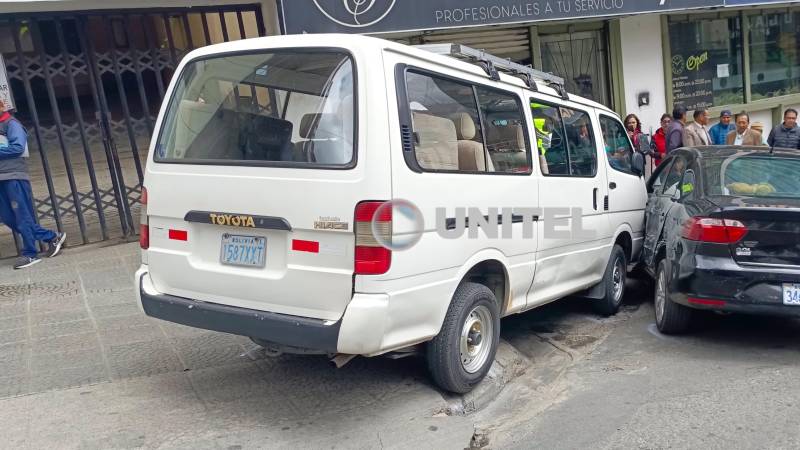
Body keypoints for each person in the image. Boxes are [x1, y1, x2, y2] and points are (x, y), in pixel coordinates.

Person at [0, 100, 66, 269]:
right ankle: (51, 236)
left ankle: (30, 253)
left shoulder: (12, 124)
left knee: (21, 215)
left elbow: (17, 147)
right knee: (7, 217)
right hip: (2, 178)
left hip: (13, 176)